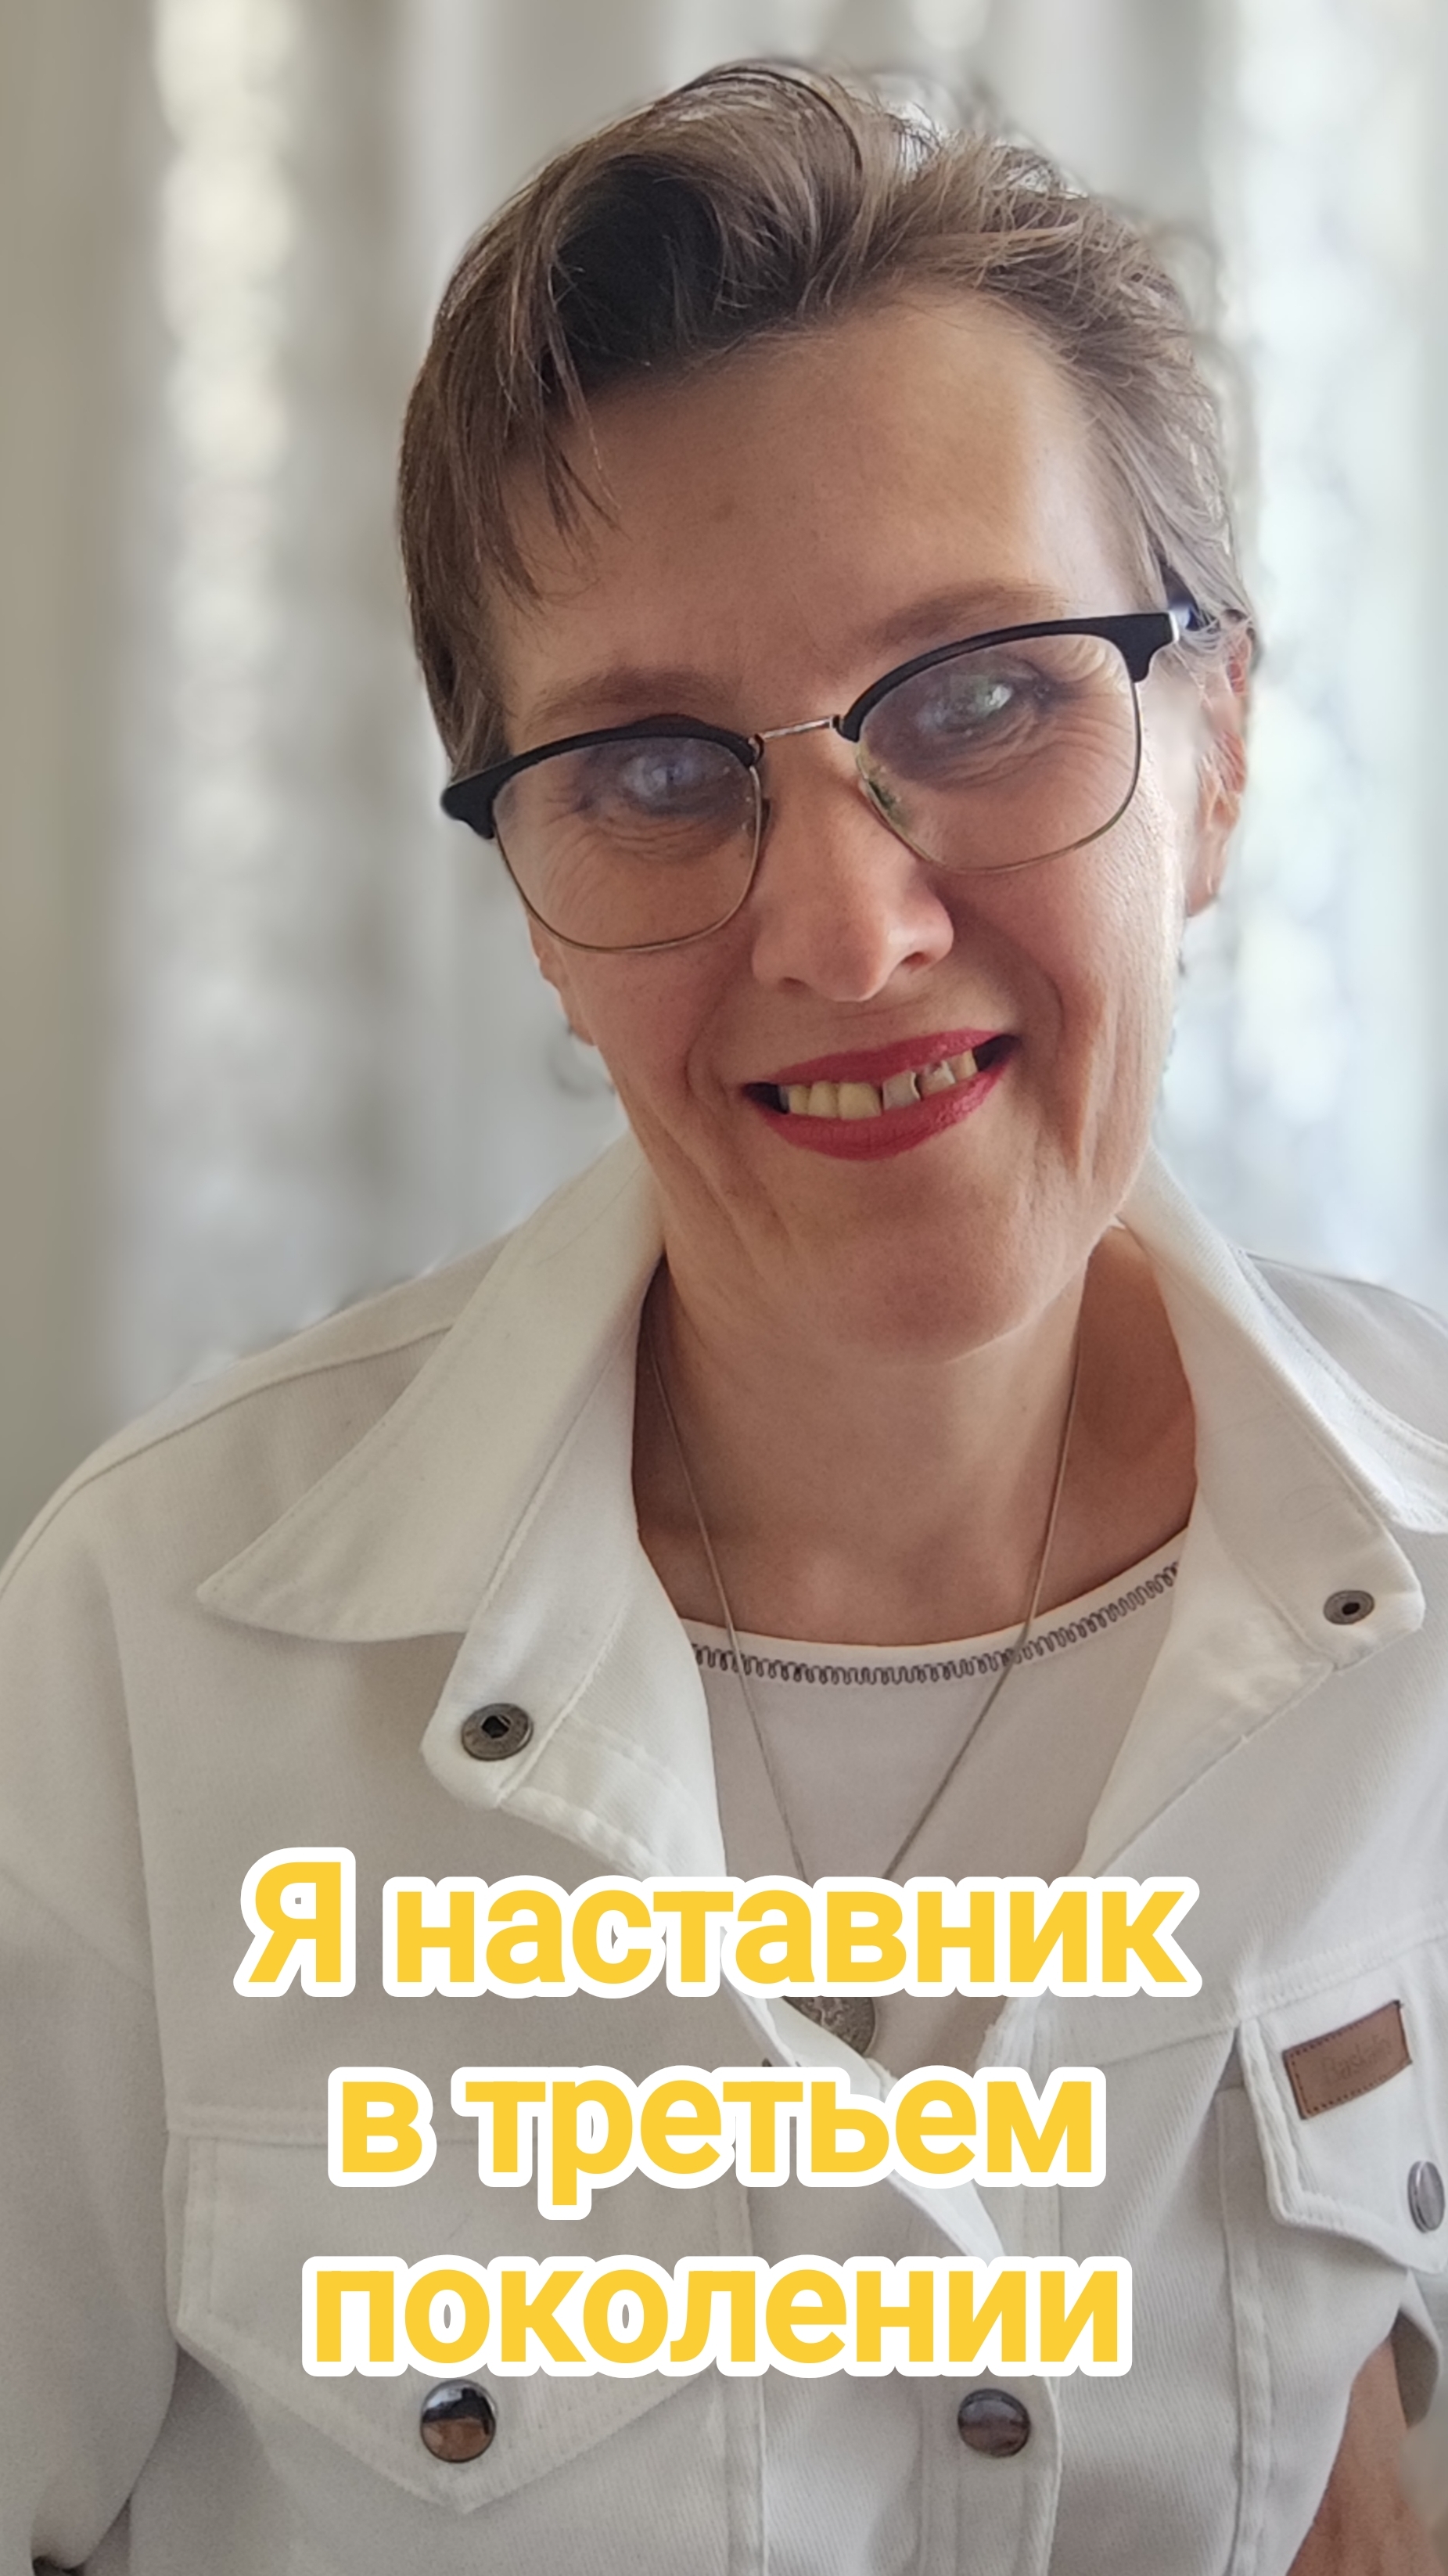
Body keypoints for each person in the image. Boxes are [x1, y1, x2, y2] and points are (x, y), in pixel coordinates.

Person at [3, 59, 1446, 2576]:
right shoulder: (148, 1662)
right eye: (655, 767)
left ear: (1211, 753)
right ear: (534, 899)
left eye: (983, 691)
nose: (846, 928)